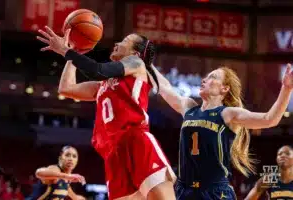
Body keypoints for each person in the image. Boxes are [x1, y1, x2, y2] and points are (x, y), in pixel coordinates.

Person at [36, 26, 176, 200]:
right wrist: (73, 53)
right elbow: (66, 88)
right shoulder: (103, 86)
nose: (117, 43)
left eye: (124, 41)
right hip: (113, 153)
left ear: (136, 53)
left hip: (136, 141)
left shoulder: (137, 64)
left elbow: (98, 69)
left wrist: (65, 51)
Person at [152, 64, 293, 199]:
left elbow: (269, 119)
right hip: (185, 191)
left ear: (224, 88)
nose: (204, 80)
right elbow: (164, 87)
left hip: (215, 192)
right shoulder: (189, 107)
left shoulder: (227, 114)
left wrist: (286, 88)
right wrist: (147, 63)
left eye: (212, 77)